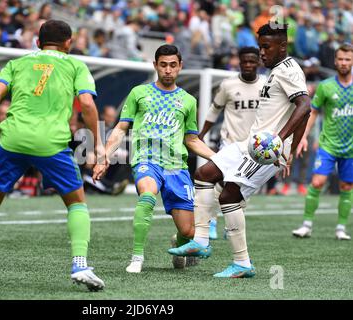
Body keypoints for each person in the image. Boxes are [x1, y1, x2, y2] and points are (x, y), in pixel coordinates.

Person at [0, 20, 105, 291]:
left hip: (13, 139)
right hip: (50, 143)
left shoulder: (17, 63)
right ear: (69, 43)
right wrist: (97, 146)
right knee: (76, 202)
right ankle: (79, 264)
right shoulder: (76, 65)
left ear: (37, 42)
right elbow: (87, 103)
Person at [169, 22, 311, 278]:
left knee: (228, 197)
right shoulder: (277, 71)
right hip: (252, 143)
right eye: (260, 48)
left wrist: (280, 144)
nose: (262, 53)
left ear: (282, 46)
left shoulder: (290, 70)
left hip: (264, 151)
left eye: (267, 47)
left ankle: (242, 264)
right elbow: (303, 111)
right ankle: (201, 240)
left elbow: (305, 106)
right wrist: (288, 147)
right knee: (204, 173)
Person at [93, 44, 215, 273]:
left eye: (172, 65)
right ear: (155, 66)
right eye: (163, 65)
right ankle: (137, 257)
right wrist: (104, 157)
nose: (168, 70)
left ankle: (178, 244)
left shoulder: (188, 101)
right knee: (147, 195)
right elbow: (120, 128)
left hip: (176, 166)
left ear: (180, 67)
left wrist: (217, 158)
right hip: (146, 159)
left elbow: (192, 140)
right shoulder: (139, 93)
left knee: (188, 231)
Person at [198, 46, 265, 240]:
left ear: (258, 62)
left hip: (254, 146)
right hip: (229, 142)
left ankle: (232, 225)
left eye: (252, 61)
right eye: (244, 61)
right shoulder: (228, 85)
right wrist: (201, 134)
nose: (248, 65)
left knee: (241, 188)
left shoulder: (266, 85)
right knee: (218, 180)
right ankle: (211, 221)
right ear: (239, 62)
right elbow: (214, 110)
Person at [292, 43, 353, 240]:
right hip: (328, 144)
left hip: (350, 148)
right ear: (335, 61)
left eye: (348, 59)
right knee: (317, 182)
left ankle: (341, 229)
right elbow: (314, 112)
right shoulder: (326, 86)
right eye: (341, 59)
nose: (344, 63)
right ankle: (306, 225)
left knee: (346, 187)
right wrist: (303, 137)